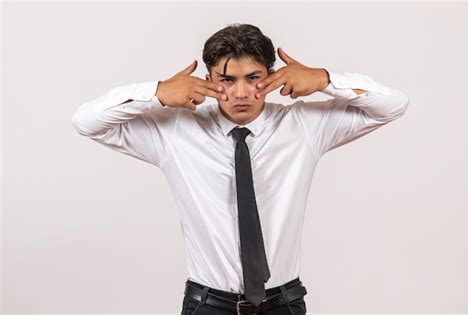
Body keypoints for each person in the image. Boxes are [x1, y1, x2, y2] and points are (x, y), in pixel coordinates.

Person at [72, 23, 409, 315]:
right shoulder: (175, 132)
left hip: (284, 304)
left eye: (253, 78)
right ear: (208, 79)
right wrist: (157, 92)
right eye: (226, 80)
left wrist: (324, 79)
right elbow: (87, 122)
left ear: (272, 76)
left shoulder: (302, 126)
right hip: (207, 305)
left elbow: (392, 105)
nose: (241, 92)